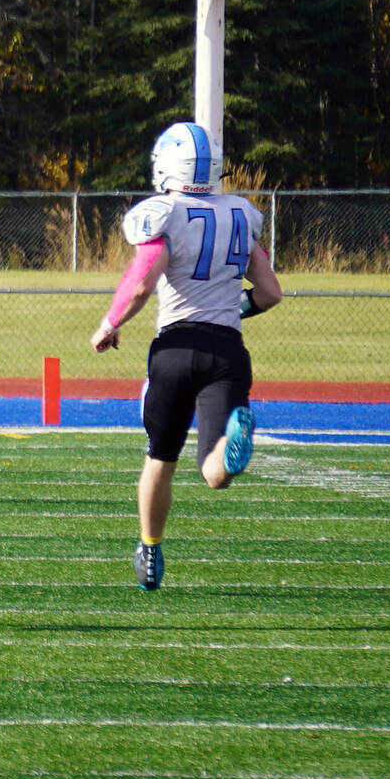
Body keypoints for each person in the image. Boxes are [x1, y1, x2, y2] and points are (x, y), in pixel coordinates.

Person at [91, 121, 283, 591]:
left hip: (175, 348)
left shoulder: (164, 213)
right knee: (213, 471)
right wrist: (230, 306)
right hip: (226, 349)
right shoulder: (240, 214)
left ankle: (150, 548)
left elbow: (143, 279)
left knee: (160, 455)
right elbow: (270, 292)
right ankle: (226, 452)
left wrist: (110, 324)